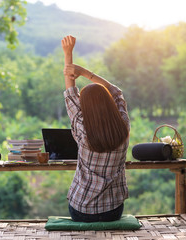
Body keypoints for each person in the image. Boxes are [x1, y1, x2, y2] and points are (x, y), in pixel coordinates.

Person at [61, 35, 130, 222]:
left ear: (85, 108)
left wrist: (68, 55)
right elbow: (116, 92)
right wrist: (84, 72)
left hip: (81, 209)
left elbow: (70, 94)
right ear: (109, 103)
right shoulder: (123, 126)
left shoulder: (83, 130)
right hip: (113, 211)